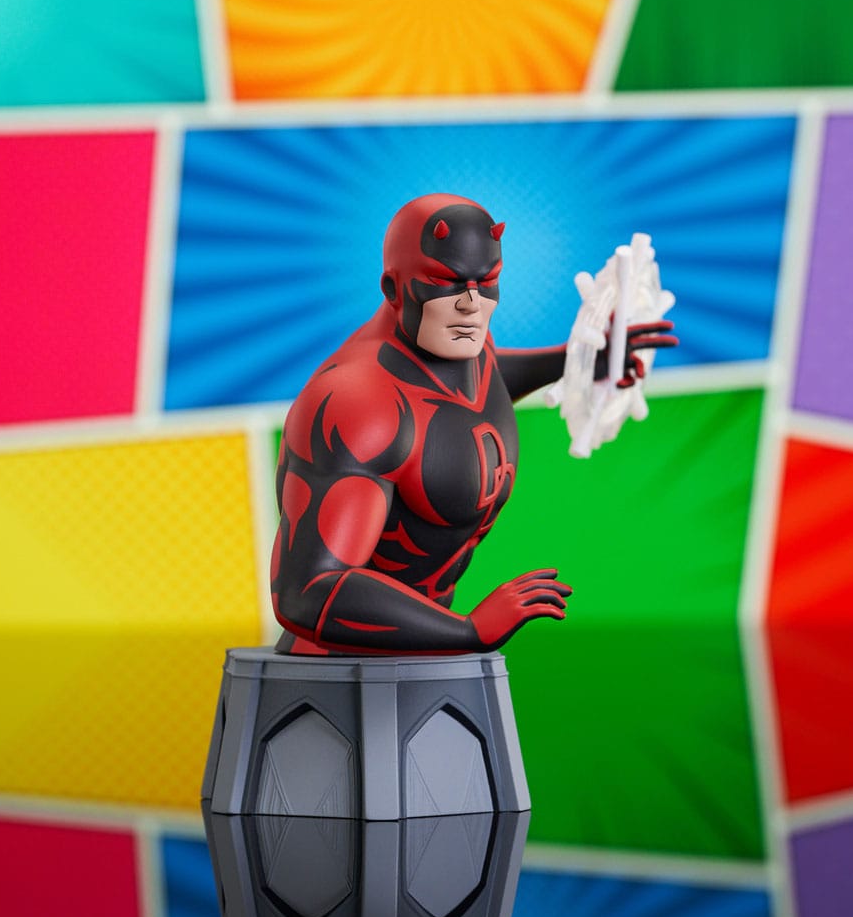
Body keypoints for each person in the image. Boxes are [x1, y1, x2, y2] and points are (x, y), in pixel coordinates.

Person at [271, 194, 675, 656]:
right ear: (392, 288)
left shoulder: (456, 341)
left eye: (487, 282)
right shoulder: (356, 404)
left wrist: (581, 361)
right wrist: (469, 632)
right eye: (444, 282)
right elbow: (309, 591)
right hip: (335, 672)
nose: (470, 304)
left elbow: (475, 386)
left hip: (428, 653)